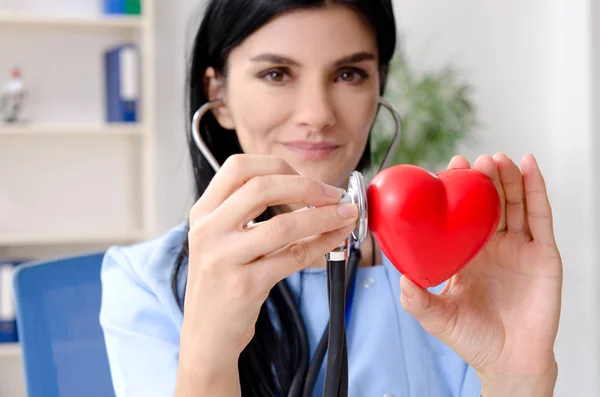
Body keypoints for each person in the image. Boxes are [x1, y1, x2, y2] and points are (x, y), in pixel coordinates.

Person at [99, 1, 563, 396]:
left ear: (378, 85)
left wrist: (517, 377)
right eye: (277, 73)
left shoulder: (457, 272)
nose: (318, 115)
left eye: (348, 73)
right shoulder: (147, 282)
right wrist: (209, 352)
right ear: (217, 95)